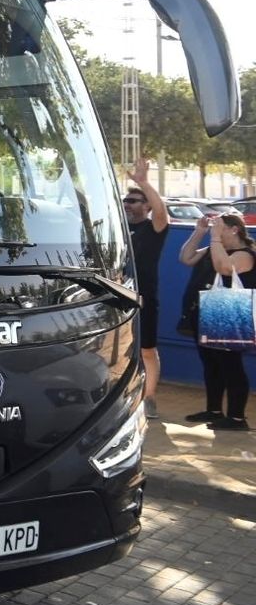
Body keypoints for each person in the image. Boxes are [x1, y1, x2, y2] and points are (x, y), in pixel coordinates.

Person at [176, 212, 252, 431]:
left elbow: (225, 268)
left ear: (234, 229)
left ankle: (237, 418)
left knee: (231, 365)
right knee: (211, 363)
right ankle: (214, 410)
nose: (214, 231)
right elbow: (186, 258)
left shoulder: (246, 254)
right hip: (205, 310)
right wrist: (199, 232)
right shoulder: (213, 248)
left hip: (228, 312)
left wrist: (215, 239)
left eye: (219, 227)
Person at [122, 157, 169, 419]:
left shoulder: (153, 228)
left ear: (147, 205)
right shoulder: (117, 229)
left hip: (145, 298)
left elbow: (162, 212)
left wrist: (144, 183)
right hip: (117, 297)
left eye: (133, 200)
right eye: (126, 200)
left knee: (147, 350)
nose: (127, 204)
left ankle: (149, 397)